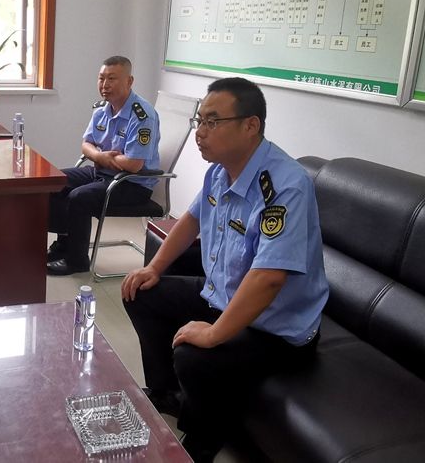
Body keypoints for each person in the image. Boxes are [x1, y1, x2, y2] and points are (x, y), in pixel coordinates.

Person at [120, 77, 329, 462]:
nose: (200, 132)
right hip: (225, 296)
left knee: (193, 357)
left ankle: (202, 441)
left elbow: (269, 278)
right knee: (140, 292)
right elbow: (190, 220)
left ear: (251, 125)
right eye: (199, 120)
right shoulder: (220, 170)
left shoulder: (285, 186)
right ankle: (167, 393)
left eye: (212, 121)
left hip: (275, 328)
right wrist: (154, 267)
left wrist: (214, 333)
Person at [46, 56, 161, 275]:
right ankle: (64, 244)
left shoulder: (142, 115)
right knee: (54, 181)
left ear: (129, 81)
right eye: (101, 78)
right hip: (104, 172)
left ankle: (77, 261)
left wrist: (103, 159)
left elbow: (134, 165)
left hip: (133, 184)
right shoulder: (101, 110)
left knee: (79, 197)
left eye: (112, 78)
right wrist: (101, 157)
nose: (105, 84)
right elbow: (86, 145)